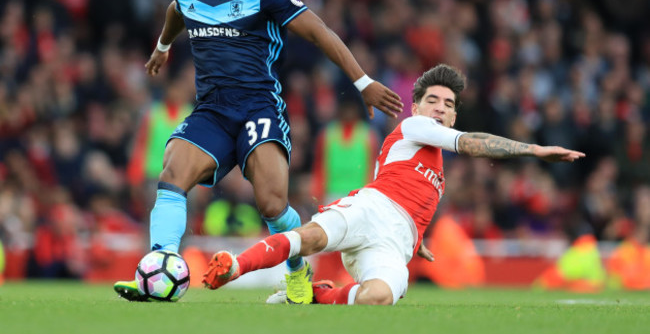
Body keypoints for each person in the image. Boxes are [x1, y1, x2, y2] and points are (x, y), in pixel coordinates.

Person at [113, 0, 403, 303]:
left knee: (271, 204)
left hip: (258, 108)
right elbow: (175, 11)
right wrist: (163, 47)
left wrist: (363, 82)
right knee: (171, 174)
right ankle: (158, 268)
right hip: (212, 112)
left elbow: (319, 32)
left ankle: (298, 271)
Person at [202, 64, 585, 305]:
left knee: (379, 297)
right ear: (416, 107)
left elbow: (413, 202)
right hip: (371, 209)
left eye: (448, 104)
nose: (439, 107)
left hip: (394, 243)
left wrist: (417, 240)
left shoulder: (435, 169)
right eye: (432, 100)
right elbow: (470, 144)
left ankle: (314, 296)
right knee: (312, 238)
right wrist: (534, 149)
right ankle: (233, 267)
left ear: (453, 114)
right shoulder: (415, 127)